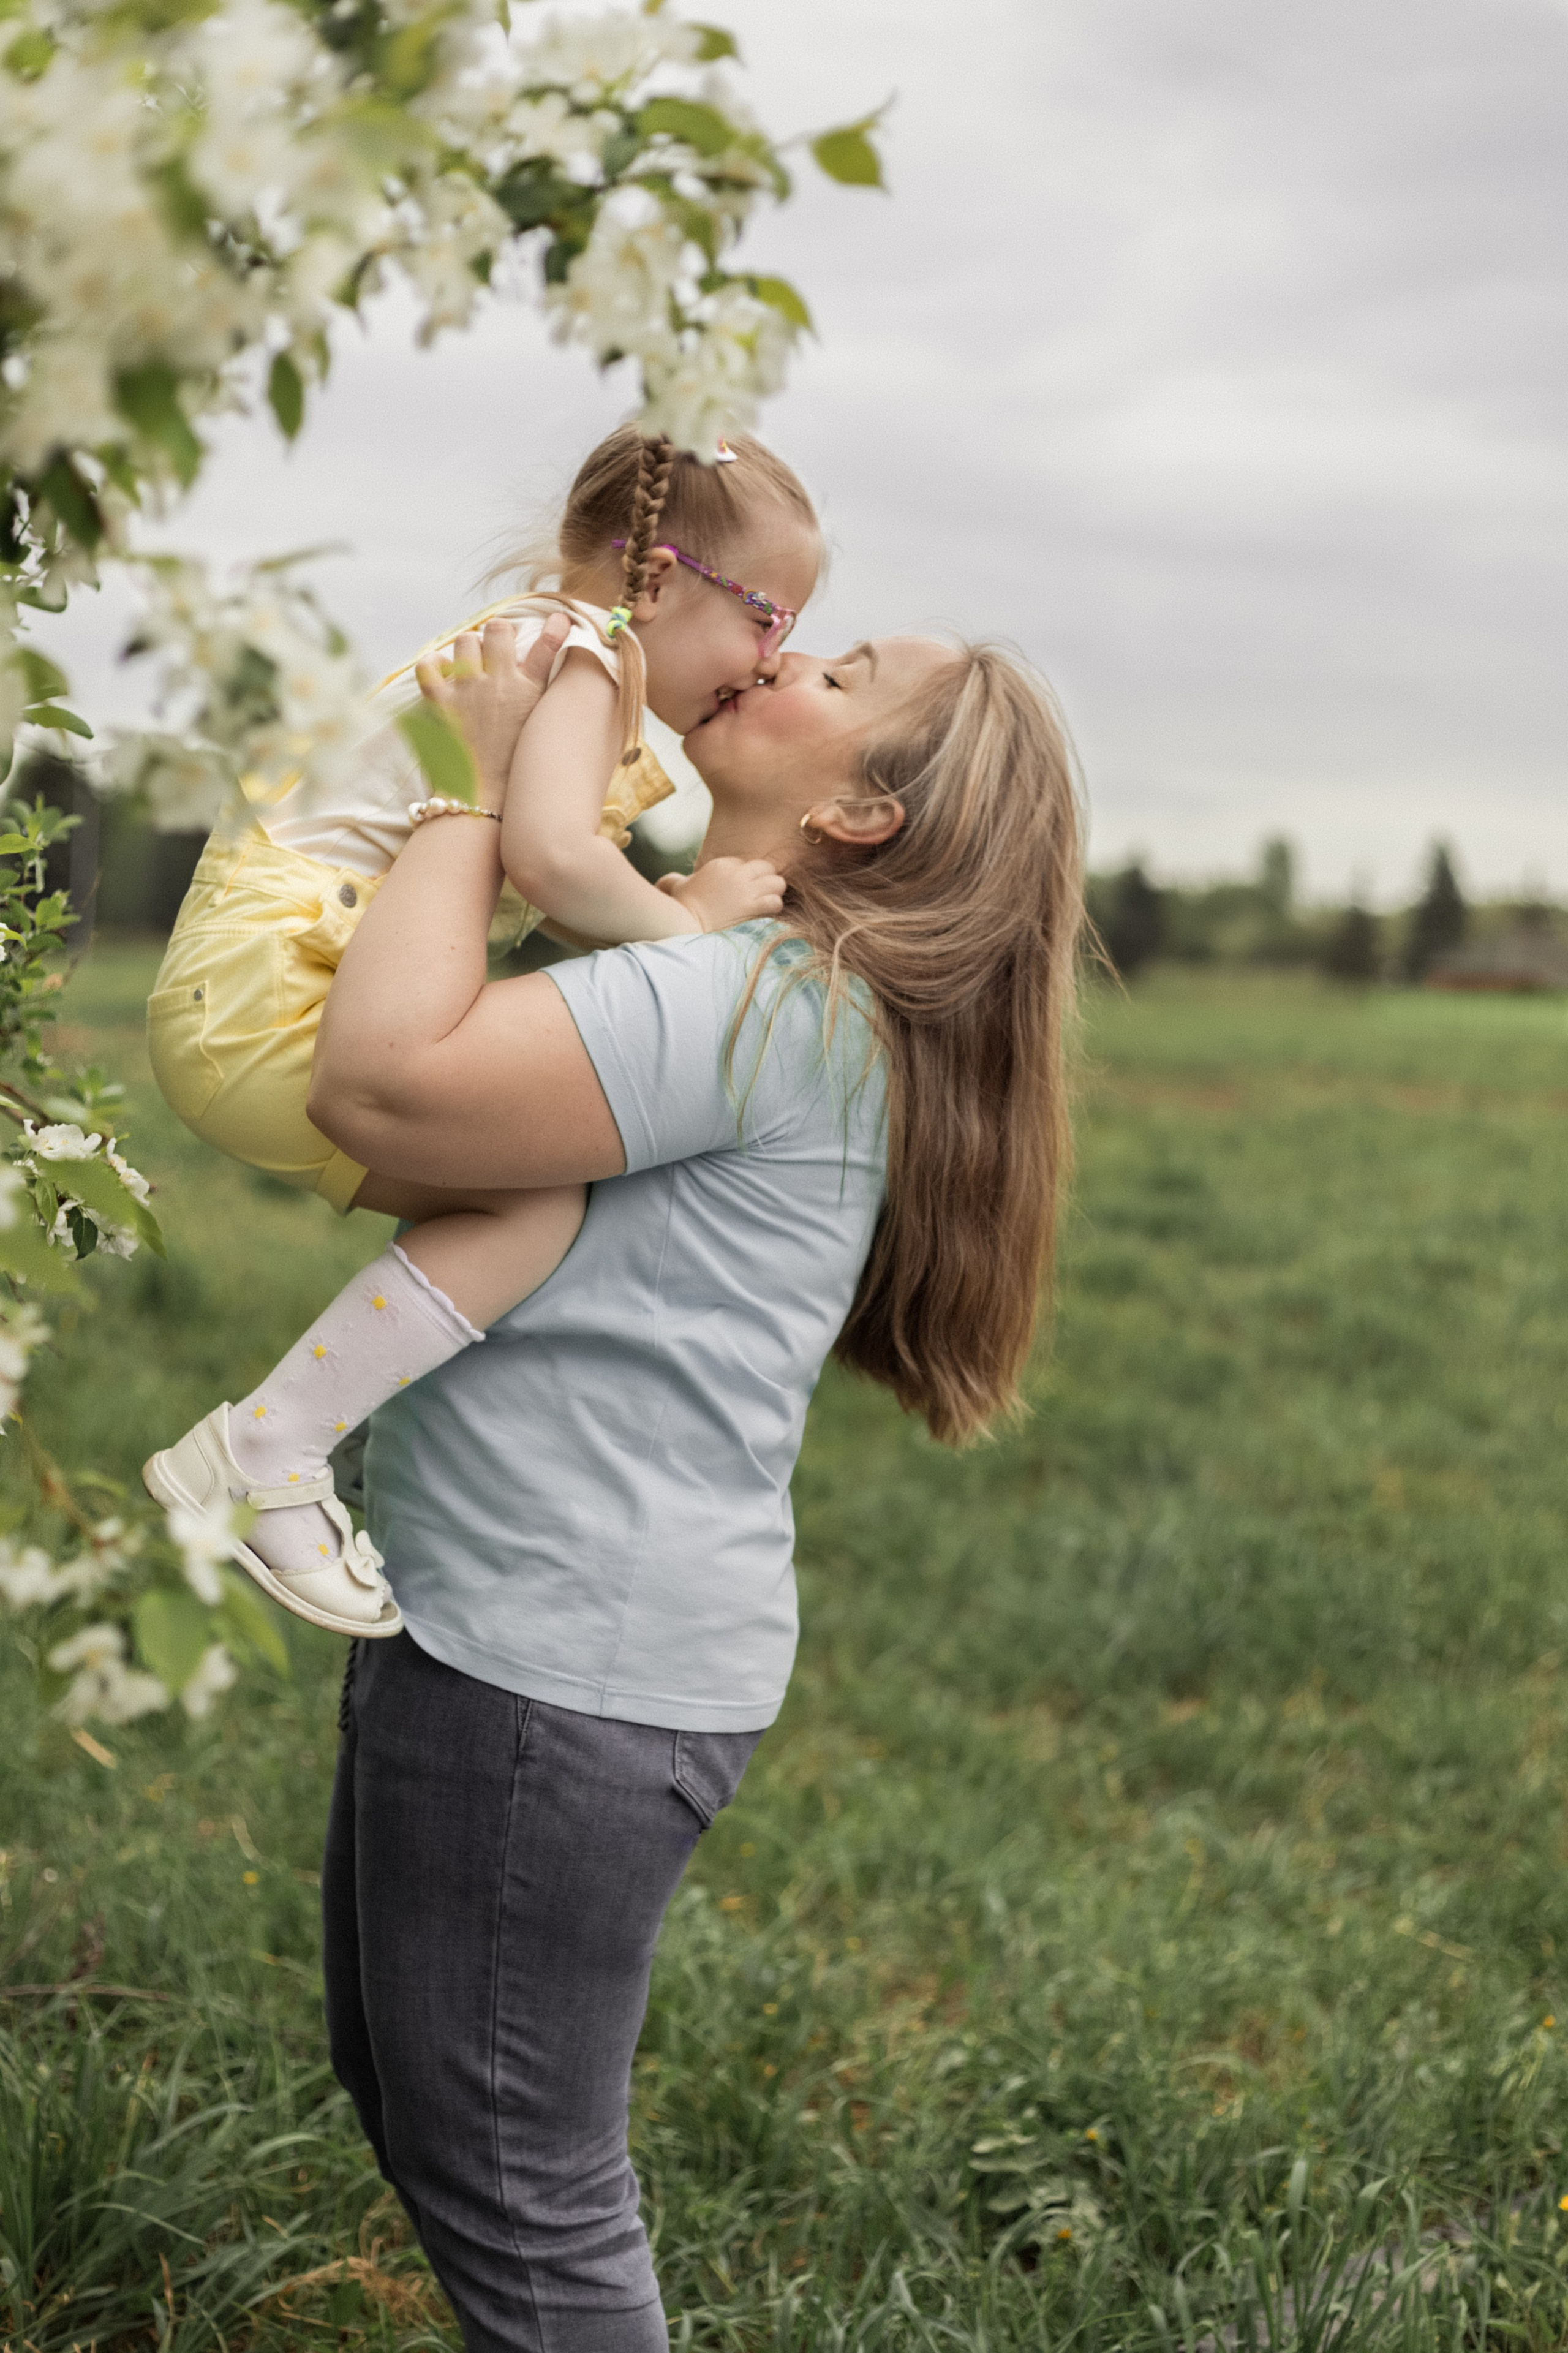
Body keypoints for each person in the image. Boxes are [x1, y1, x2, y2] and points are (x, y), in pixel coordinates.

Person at [304, 607, 1085, 2351]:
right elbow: (425, 1155)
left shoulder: (758, 1001)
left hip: (550, 1675)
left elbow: (383, 1093)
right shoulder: (754, 981)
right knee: (430, 2107)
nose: (785, 658)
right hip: (529, 1640)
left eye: (839, 675)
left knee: (522, 2191)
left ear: (861, 812)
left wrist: (467, 780)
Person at [143, 429, 819, 1637]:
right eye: (767, 617)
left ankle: (332, 1429)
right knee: (534, 1203)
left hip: (243, 987)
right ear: (661, 579)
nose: (772, 659)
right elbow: (551, 858)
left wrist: (644, 909)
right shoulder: (583, 654)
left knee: (505, 1183)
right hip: (277, 993)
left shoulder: (542, 644)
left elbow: (529, 872)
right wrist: (690, 924)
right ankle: (269, 1449)